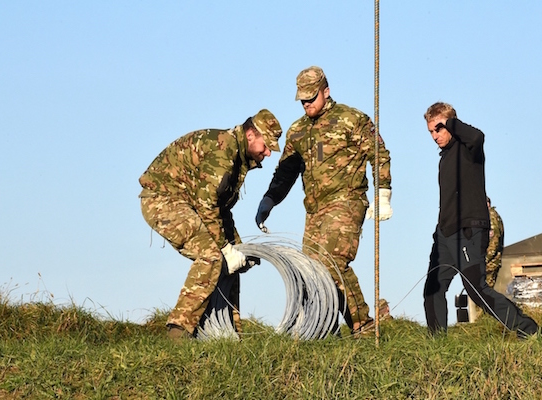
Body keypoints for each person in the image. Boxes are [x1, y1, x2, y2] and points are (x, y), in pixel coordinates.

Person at [255, 66, 393, 337]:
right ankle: (327, 328)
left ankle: (362, 324)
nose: (307, 104)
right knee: (312, 271)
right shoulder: (297, 131)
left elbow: (378, 153)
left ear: (326, 92)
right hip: (315, 210)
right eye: (303, 99)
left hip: (347, 200)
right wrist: (270, 198)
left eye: (312, 97)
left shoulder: (352, 119)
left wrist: (383, 192)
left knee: (331, 262)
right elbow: (286, 171)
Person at [139, 109, 282, 341]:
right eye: (266, 146)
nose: (267, 153)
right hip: (163, 200)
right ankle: (179, 332)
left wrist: (237, 247)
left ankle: (230, 333)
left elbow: (219, 208)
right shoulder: (224, 151)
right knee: (213, 254)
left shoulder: (236, 155)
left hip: (188, 203)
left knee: (231, 261)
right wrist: (225, 248)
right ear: (250, 136)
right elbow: (206, 204)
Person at [422, 102, 542, 338]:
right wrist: (439, 233)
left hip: (469, 231)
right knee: (432, 289)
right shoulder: (444, 157)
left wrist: (450, 123)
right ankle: (436, 344)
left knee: (476, 289)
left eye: (439, 129)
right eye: (431, 132)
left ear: (452, 124)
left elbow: (478, 136)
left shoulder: (469, 149)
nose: (435, 136)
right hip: (446, 234)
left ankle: (529, 330)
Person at [485, 196, 504, 288]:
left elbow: (494, 242)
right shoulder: (491, 216)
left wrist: (484, 259)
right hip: (489, 263)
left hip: (490, 264)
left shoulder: (491, 217)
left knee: (485, 294)